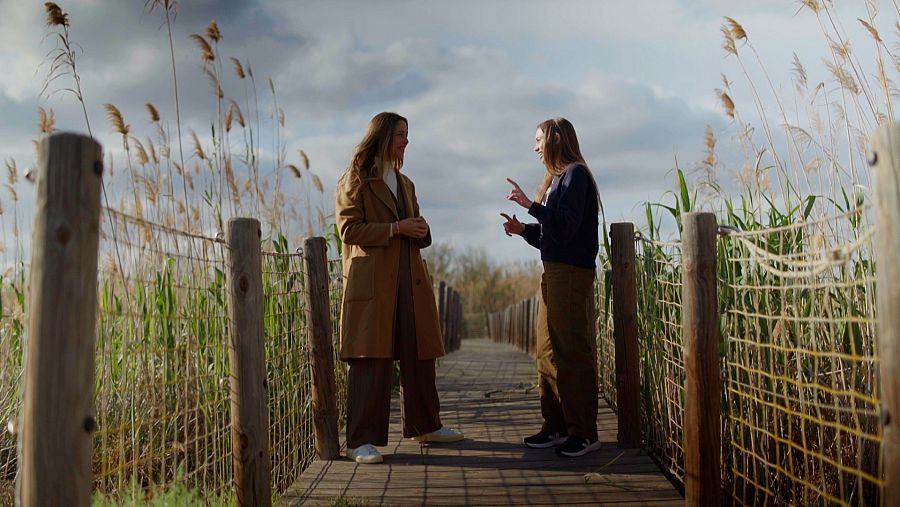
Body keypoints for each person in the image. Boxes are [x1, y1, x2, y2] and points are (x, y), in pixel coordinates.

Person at [335, 112, 464, 465]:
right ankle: (359, 440)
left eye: (408, 134)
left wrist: (420, 229)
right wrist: (395, 229)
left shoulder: (405, 183)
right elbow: (348, 230)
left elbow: (414, 228)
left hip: (410, 278)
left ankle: (426, 426)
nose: (406, 141)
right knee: (369, 358)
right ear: (381, 136)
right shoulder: (356, 179)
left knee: (420, 352)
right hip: (373, 282)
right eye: (400, 135)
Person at [501, 117, 601, 457]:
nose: (535, 147)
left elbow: (568, 227)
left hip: (571, 274)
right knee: (546, 350)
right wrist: (523, 229)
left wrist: (530, 205)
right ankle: (556, 425)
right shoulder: (559, 180)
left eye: (539, 139)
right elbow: (552, 234)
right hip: (554, 271)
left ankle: (584, 432)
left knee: (570, 350)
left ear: (556, 140)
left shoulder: (576, 175)